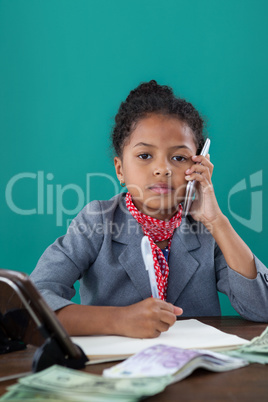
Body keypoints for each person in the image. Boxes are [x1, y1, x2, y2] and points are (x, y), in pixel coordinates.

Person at [30, 80, 268, 338]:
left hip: (194, 370)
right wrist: (118, 320)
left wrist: (216, 220)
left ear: (199, 166)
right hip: (116, 368)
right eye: (145, 156)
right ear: (120, 169)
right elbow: (33, 303)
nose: (162, 169)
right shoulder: (96, 221)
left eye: (179, 158)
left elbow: (262, 308)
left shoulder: (206, 230)